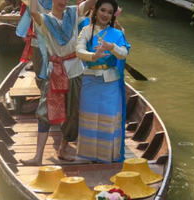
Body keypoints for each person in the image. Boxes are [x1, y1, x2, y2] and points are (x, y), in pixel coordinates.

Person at [18, 0, 96, 166]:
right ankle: (38, 157)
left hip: (75, 71)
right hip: (55, 72)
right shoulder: (45, 20)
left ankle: (62, 150)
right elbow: (33, 12)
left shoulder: (73, 13)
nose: (62, 2)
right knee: (44, 112)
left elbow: (91, 3)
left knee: (72, 113)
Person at [75, 0, 130, 163]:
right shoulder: (86, 30)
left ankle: (107, 155)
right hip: (90, 79)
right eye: (103, 10)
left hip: (110, 81)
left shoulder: (117, 34)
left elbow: (124, 53)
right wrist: (94, 56)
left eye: (109, 12)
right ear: (96, 10)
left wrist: (112, 47)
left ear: (113, 15)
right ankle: (90, 154)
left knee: (108, 117)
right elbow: (79, 51)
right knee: (89, 117)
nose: (105, 15)